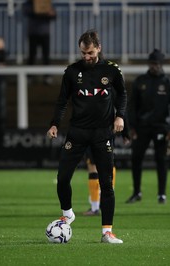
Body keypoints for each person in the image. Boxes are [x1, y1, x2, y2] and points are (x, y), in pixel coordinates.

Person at [47, 29, 127, 243]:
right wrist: (55, 123)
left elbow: (122, 96)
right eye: (83, 53)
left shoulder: (112, 70)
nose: (86, 57)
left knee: (107, 184)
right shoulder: (72, 72)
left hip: (103, 134)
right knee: (63, 177)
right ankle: (68, 214)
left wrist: (120, 117)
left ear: (98, 48)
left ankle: (106, 232)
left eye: (90, 53)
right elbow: (62, 101)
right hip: (77, 133)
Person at [126, 49, 170, 204]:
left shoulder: (169, 83)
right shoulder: (140, 81)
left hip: (161, 127)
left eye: (156, 64)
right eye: (151, 63)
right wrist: (131, 126)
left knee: (161, 159)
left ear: (161, 64)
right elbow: (132, 106)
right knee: (136, 159)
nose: (153, 66)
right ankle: (137, 192)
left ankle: (161, 194)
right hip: (142, 127)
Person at [83, 130, 130, 216]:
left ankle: (95, 207)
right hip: (107, 133)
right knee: (108, 162)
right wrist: (125, 132)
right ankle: (107, 200)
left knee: (93, 166)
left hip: (93, 132)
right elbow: (121, 117)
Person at [23, 0, 56, 84]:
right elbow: (28, 12)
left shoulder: (46, 2)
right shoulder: (28, 3)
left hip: (44, 33)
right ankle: (29, 77)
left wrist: (51, 13)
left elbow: (54, 15)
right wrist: (42, 12)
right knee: (32, 55)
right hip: (33, 32)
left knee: (46, 56)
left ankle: (47, 77)